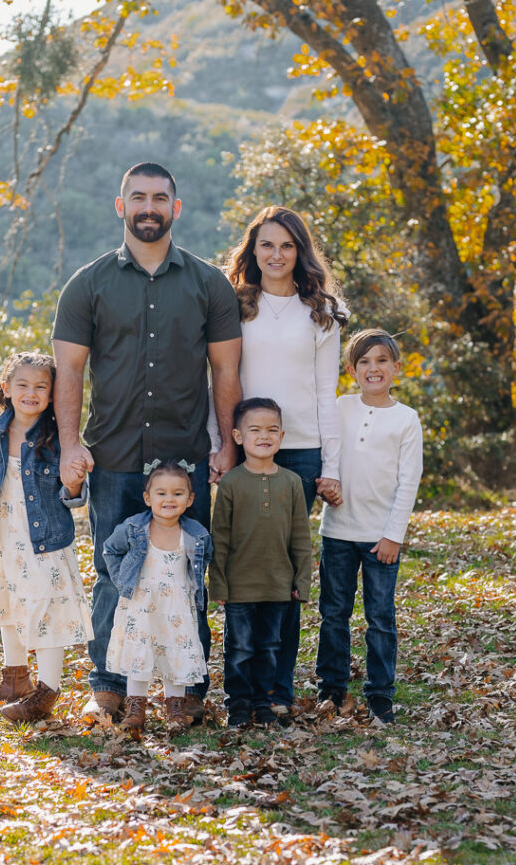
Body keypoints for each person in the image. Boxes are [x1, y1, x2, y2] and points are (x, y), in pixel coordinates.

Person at [52, 162, 242, 724]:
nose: (149, 207)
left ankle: (186, 690)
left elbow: (226, 373)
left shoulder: (209, 283)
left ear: (176, 209)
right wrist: (68, 445)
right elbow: (69, 373)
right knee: (114, 573)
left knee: (188, 573)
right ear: (121, 206)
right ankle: (108, 686)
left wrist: (227, 447)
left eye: (160, 198)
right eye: (138, 197)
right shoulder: (87, 284)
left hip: (187, 459)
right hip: (113, 456)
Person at [210, 205, 348, 714]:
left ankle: (279, 689)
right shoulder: (232, 306)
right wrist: (222, 443)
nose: (276, 254)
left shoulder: (322, 313)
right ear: (253, 250)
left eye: (287, 245)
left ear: (300, 251)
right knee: (246, 565)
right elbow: (219, 382)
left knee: (283, 570)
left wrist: (329, 467)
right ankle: (243, 689)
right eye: (266, 244)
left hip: (302, 452)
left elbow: (326, 393)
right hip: (245, 447)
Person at [0, 351, 93, 723]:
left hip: (46, 541)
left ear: (53, 395)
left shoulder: (58, 437)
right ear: (6, 388)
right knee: (9, 605)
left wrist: (75, 485)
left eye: (41, 386)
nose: (31, 393)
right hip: (7, 538)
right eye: (22, 385)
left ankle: (46, 692)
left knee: (47, 612)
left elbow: (74, 490)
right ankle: (15, 678)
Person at [316, 329, 423, 724]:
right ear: (350, 369)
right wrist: (326, 484)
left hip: (381, 539)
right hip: (338, 532)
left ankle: (380, 693)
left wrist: (394, 534)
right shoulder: (339, 408)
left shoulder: (406, 419)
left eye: (381, 361)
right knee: (334, 612)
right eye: (364, 362)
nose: (373, 368)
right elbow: (326, 454)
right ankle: (331, 687)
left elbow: (408, 481)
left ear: (396, 368)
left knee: (380, 617)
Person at [209, 398, 313, 728]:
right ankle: (237, 703)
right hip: (240, 586)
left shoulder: (292, 482)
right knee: (239, 649)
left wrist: (302, 580)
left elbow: (301, 537)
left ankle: (263, 701)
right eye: (255, 429)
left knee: (270, 648)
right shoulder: (231, 483)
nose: (263, 436)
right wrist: (219, 583)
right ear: (239, 436)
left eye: (271, 430)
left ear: (281, 436)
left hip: (279, 586)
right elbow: (220, 537)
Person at [103, 461, 213, 733]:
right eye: (161, 493)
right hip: (141, 605)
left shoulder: (194, 534)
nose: (169, 499)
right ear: (148, 497)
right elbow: (110, 550)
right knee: (139, 654)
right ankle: (135, 708)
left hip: (176, 607)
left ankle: (175, 708)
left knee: (175, 652)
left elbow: (203, 561)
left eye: (177, 494)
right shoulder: (134, 529)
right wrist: (123, 582)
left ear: (189, 499)